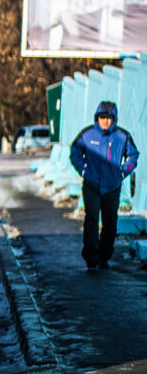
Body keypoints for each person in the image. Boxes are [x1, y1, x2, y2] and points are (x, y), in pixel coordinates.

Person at [69, 101, 140, 270]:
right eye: (102, 117)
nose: (105, 121)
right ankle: (91, 256)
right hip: (92, 185)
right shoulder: (87, 134)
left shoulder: (123, 136)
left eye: (109, 118)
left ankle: (104, 256)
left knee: (110, 222)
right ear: (97, 118)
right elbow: (75, 153)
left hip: (112, 186)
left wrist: (122, 173)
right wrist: (84, 171)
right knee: (92, 218)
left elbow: (133, 156)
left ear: (114, 119)